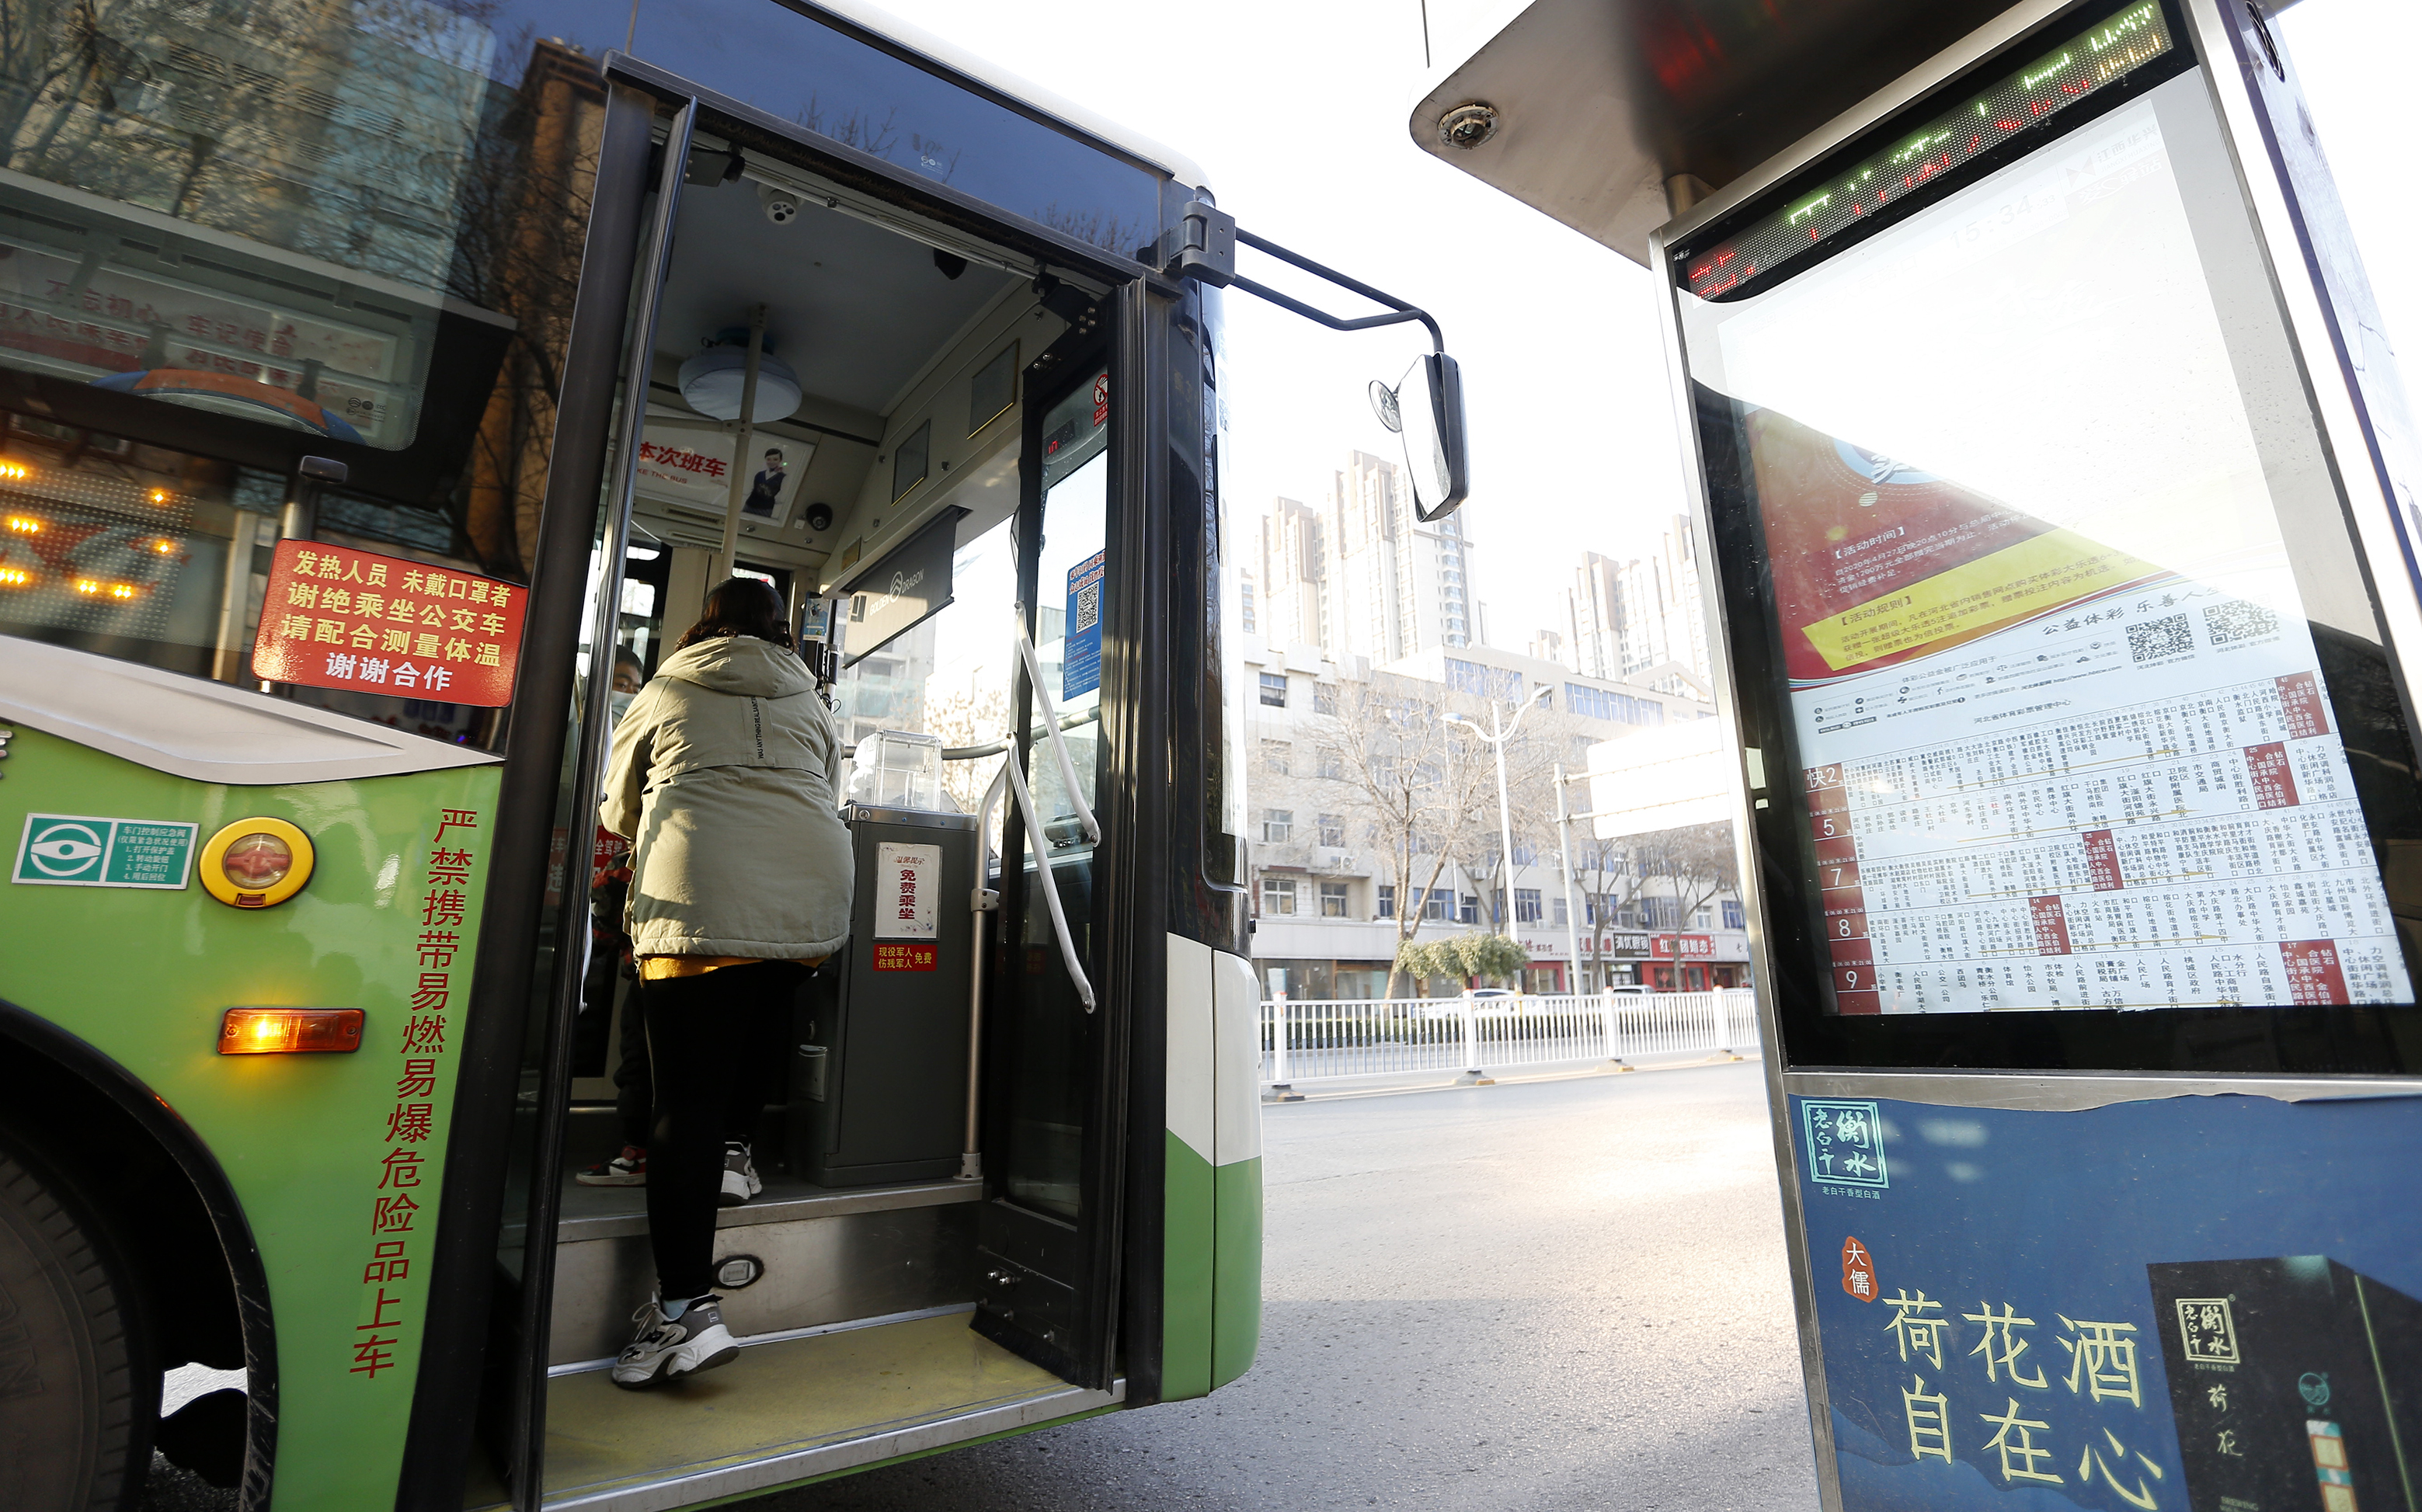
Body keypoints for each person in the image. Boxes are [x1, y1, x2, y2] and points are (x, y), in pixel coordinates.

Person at [597, 579, 853, 1389]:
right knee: (764, 1006)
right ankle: (736, 1155)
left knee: (685, 1104)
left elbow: (616, 808)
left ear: (703, 622)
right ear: (781, 630)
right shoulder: (809, 698)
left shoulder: (668, 685)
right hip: (810, 885)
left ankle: (684, 1311)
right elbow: (830, 788)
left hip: (701, 884)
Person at [576, 647, 652, 1184]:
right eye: (616, 684)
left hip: (654, 954)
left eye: (631, 684)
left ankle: (638, 1150)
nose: (624, 694)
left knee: (640, 1054)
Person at [741, 447, 786, 520]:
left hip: (765, 509)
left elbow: (781, 498)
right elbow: (750, 489)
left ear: (780, 460)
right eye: (769, 459)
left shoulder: (783, 477)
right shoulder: (759, 474)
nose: (772, 462)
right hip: (750, 505)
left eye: (775, 459)